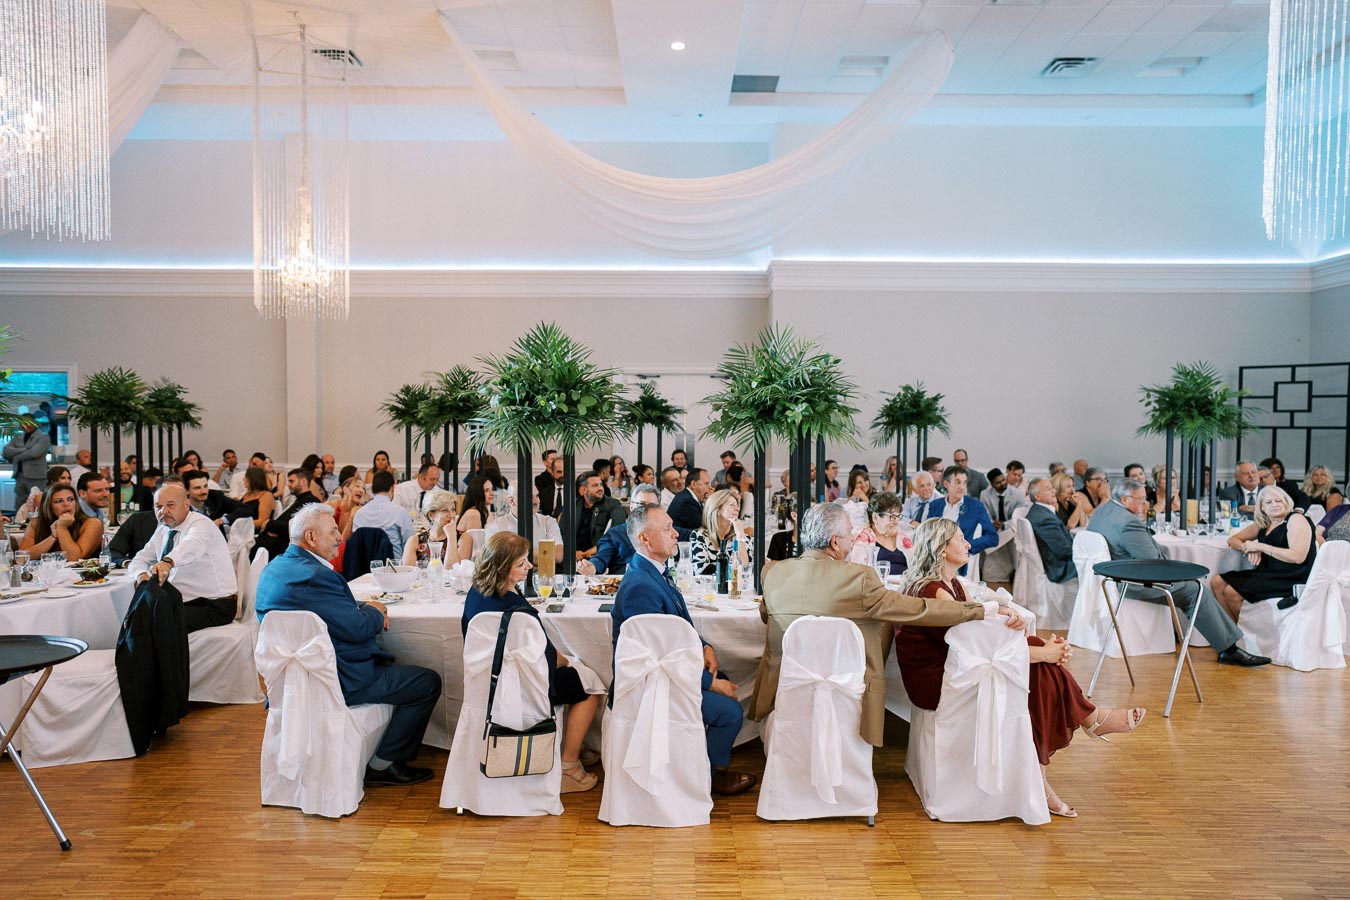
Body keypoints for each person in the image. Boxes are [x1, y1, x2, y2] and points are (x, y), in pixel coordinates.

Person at [898, 517, 1144, 818]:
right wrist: (1044, 652)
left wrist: (1034, 641)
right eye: (960, 538)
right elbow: (973, 646)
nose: (967, 543)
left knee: (1041, 667)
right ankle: (1087, 722)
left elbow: (982, 628)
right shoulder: (934, 590)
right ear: (941, 548)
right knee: (1040, 670)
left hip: (952, 667)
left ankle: (1059, 756)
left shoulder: (952, 584)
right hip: (935, 680)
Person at [755, 505, 992, 750]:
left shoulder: (772, 572)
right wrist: (979, 610)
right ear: (836, 542)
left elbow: (766, 616)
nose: (853, 539)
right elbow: (918, 609)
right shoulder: (859, 578)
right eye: (849, 534)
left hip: (786, 684)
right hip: (846, 687)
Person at [257, 504, 440, 786]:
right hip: (338, 679)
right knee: (426, 682)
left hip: (292, 681)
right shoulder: (318, 576)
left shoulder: (276, 569)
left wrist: (363, 606)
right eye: (332, 532)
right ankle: (384, 763)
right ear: (311, 537)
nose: (341, 537)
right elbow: (356, 628)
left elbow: (319, 608)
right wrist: (375, 611)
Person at [611, 505, 756, 796]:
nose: (676, 533)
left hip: (671, 673)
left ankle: (692, 764)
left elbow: (676, 625)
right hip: (652, 686)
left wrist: (705, 646)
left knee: (725, 676)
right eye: (666, 529)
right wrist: (710, 683)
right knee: (729, 712)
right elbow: (658, 656)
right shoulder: (641, 586)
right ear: (645, 539)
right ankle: (709, 777)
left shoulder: (653, 572)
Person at [463, 532, 601, 791]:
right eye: (521, 563)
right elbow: (547, 658)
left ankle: (574, 745)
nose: (530, 566)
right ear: (503, 568)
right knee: (590, 684)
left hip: (488, 683)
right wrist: (568, 661)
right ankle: (569, 764)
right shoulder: (517, 610)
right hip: (525, 686)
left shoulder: (475, 593)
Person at [1088, 478, 1269, 666]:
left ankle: (1222, 644)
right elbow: (1154, 564)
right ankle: (1229, 649)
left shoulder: (1103, 511)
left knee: (1190, 584)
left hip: (1111, 577)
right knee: (1196, 590)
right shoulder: (1128, 524)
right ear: (1125, 500)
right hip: (1133, 582)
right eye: (1141, 499)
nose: (1145, 503)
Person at [128, 483, 238, 633]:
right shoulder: (163, 529)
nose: (163, 511)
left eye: (170, 505)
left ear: (186, 505)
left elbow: (192, 545)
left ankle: (165, 657)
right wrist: (141, 575)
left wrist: (168, 562)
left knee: (157, 622)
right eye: (158, 507)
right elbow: (140, 558)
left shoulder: (201, 524)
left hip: (215, 604)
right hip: (183, 601)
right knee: (137, 614)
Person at [1212, 487, 1316, 619]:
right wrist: (1249, 548)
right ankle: (1231, 633)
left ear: (1286, 503)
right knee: (1217, 582)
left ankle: (1243, 635)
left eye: (1278, 501)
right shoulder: (1264, 523)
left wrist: (1260, 546)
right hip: (1268, 573)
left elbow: (1298, 557)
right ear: (1261, 507)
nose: (1274, 505)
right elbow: (1233, 540)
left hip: (1292, 577)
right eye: (1269, 502)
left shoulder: (1296, 519)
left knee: (1231, 592)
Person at [923, 466, 998, 574]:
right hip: (935, 561)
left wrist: (967, 546)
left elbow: (992, 537)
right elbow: (927, 532)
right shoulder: (935, 505)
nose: (962, 487)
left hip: (959, 565)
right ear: (946, 484)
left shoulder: (975, 506)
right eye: (958, 482)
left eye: (964, 483)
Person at [580, 484, 661, 575]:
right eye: (641, 504)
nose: (646, 509)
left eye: (652, 505)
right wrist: (592, 566)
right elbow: (601, 558)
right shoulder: (615, 533)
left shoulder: (669, 533)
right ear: (631, 507)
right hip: (623, 584)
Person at [18, 483, 103, 561]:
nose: (66, 504)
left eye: (70, 499)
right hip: (45, 575)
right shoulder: (36, 523)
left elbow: (74, 559)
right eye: (59, 501)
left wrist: (62, 528)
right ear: (49, 506)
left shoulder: (93, 523)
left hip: (83, 576)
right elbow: (21, 558)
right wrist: (53, 537)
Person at [256, 468, 324, 561]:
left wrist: (270, 524)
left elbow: (299, 528)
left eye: (292, 481)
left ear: (303, 481)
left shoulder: (311, 502)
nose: (288, 484)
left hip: (287, 546)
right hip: (279, 541)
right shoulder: (300, 500)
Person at [350, 470, 414, 560]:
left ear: (372, 489)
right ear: (392, 488)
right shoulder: (400, 512)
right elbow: (410, 544)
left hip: (365, 569)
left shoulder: (359, 514)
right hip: (394, 568)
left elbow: (356, 546)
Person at [484, 486, 563, 557]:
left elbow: (558, 555)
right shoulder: (495, 526)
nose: (536, 501)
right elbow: (495, 558)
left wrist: (513, 556)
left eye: (537, 496)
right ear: (512, 501)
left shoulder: (548, 522)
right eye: (530, 497)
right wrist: (543, 556)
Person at [689, 489, 751, 576]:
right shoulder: (699, 536)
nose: (737, 509)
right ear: (717, 510)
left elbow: (745, 569)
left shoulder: (743, 538)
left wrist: (740, 535)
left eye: (737, 505)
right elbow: (701, 570)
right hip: (709, 588)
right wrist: (733, 570)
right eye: (731, 505)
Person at [1027, 477, 1076, 584]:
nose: (1054, 491)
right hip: (1059, 568)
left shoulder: (1038, 511)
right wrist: (1084, 553)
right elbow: (1064, 551)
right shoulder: (1044, 518)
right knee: (1097, 561)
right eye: (1049, 489)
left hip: (1056, 562)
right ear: (1037, 496)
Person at [847, 491, 908, 576]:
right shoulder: (862, 540)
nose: (896, 522)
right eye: (892, 517)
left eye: (898, 517)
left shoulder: (902, 538)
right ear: (875, 517)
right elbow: (858, 574)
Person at [573, 471, 628, 564]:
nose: (600, 488)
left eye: (600, 485)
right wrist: (572, 552)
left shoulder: (612, 504)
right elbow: (562, 532)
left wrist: (597, 548)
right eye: (595, 485)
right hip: (574, 556)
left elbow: (618, 528)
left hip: (601, 554)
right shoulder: (574, 505)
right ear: (583, 490)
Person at [4, 419, 51, 508]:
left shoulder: (43, 436)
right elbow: (6, 450)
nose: (25, 426)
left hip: (36, 475)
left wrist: (16, 456)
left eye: (28, 423)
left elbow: (35, 453)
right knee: (20, 503)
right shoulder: (18, 436)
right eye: (23, 423)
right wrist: (24, 449)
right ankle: (19, 520)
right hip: (20, 475)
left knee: (38, 501)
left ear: (34, 423)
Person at [455, 476, 495, 561]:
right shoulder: (474, 513)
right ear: (478, 493)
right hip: (464, 562)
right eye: (487, 490)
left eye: (492, 489)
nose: (492, 493)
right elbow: (476, 547)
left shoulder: (487, 513)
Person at [980, 467, 1027, 532]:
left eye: (1003, 480)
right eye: (998, 482)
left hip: (1013, 529)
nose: (1002, 483)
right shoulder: (984, 495)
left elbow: (1019, 517)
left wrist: (1004, 525)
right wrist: (992, 523)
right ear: (992, 485)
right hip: (993, 529)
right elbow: (985, 515)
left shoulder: (1018, 494)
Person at [668, 467, 711, 533]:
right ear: (693, 484)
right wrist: (711, 503)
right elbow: (704, 527)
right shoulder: (687, 501)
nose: (710, 488)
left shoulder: (687, 496)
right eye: (706, 484)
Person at [236, 466, 276, 535]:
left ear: (253, 479)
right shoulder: (247, 494)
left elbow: (262, 521)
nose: (243, 479)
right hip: (240, 530)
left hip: (254, 533)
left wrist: (239, 524)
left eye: (246, 477)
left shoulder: (266, 495)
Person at [327, 476, 368, 541]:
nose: (361, 490)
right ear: (345, 489)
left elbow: (346, 543)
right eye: (357, 486)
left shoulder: (360, 513)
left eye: (363, 489)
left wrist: (351, 518)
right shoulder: (329, 506)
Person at [533, 449, 558, 515]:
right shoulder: (540, 479)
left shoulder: (563, 477)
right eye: (552, 459)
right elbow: (542, 498)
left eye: (557, 459)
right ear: (545, 462)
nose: (555, 461)